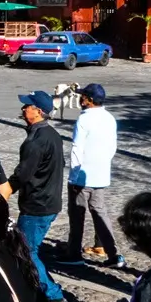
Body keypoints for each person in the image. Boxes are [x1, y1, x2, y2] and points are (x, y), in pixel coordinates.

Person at [0, 90, 67, 302]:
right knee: (28, 249)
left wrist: (7, 188)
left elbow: (23, 174)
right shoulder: (52, 135)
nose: (23, 109)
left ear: (38, 112)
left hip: (37, 205)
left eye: (27, 106)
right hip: (49, 200)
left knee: (26, 250)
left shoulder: (35, 142)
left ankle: (53, 294)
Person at [57, 84, 122, 268]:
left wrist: (74, 175)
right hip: (101, 175)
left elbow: (77, 148)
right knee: (100, 213)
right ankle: (112, 252)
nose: (80, 99)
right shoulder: (109, 118)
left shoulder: (84, 120)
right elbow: (112, 147)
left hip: (82, 175)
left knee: (77, 214)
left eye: (83, 96)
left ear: (90, 100)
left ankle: (74, 252)